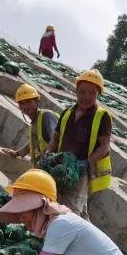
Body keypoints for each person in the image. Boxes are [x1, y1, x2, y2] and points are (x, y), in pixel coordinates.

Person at [52, 68, 113, 219]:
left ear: (98, 94)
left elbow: (104, 146)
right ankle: (88, 240)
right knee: (75, 209)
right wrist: (48, 154)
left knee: (70, 210)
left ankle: (69, 238)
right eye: (82, 92)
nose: (86, 97)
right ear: (76, 90)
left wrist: (87, 163)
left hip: (80, 171)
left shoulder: (102, 116)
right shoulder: (67, 113)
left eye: (92, 93)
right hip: (61, 168)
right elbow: (55, 139)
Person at [4, 84, 59, 166]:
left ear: (36, 101)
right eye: (21, 103)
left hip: (54, 166)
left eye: (28, 101)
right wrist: (17, 153)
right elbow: (32, 143)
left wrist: (45, 159)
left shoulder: (47, 116)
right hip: (43, 168)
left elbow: (55, 141)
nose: (25, 106)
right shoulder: (34, 123)